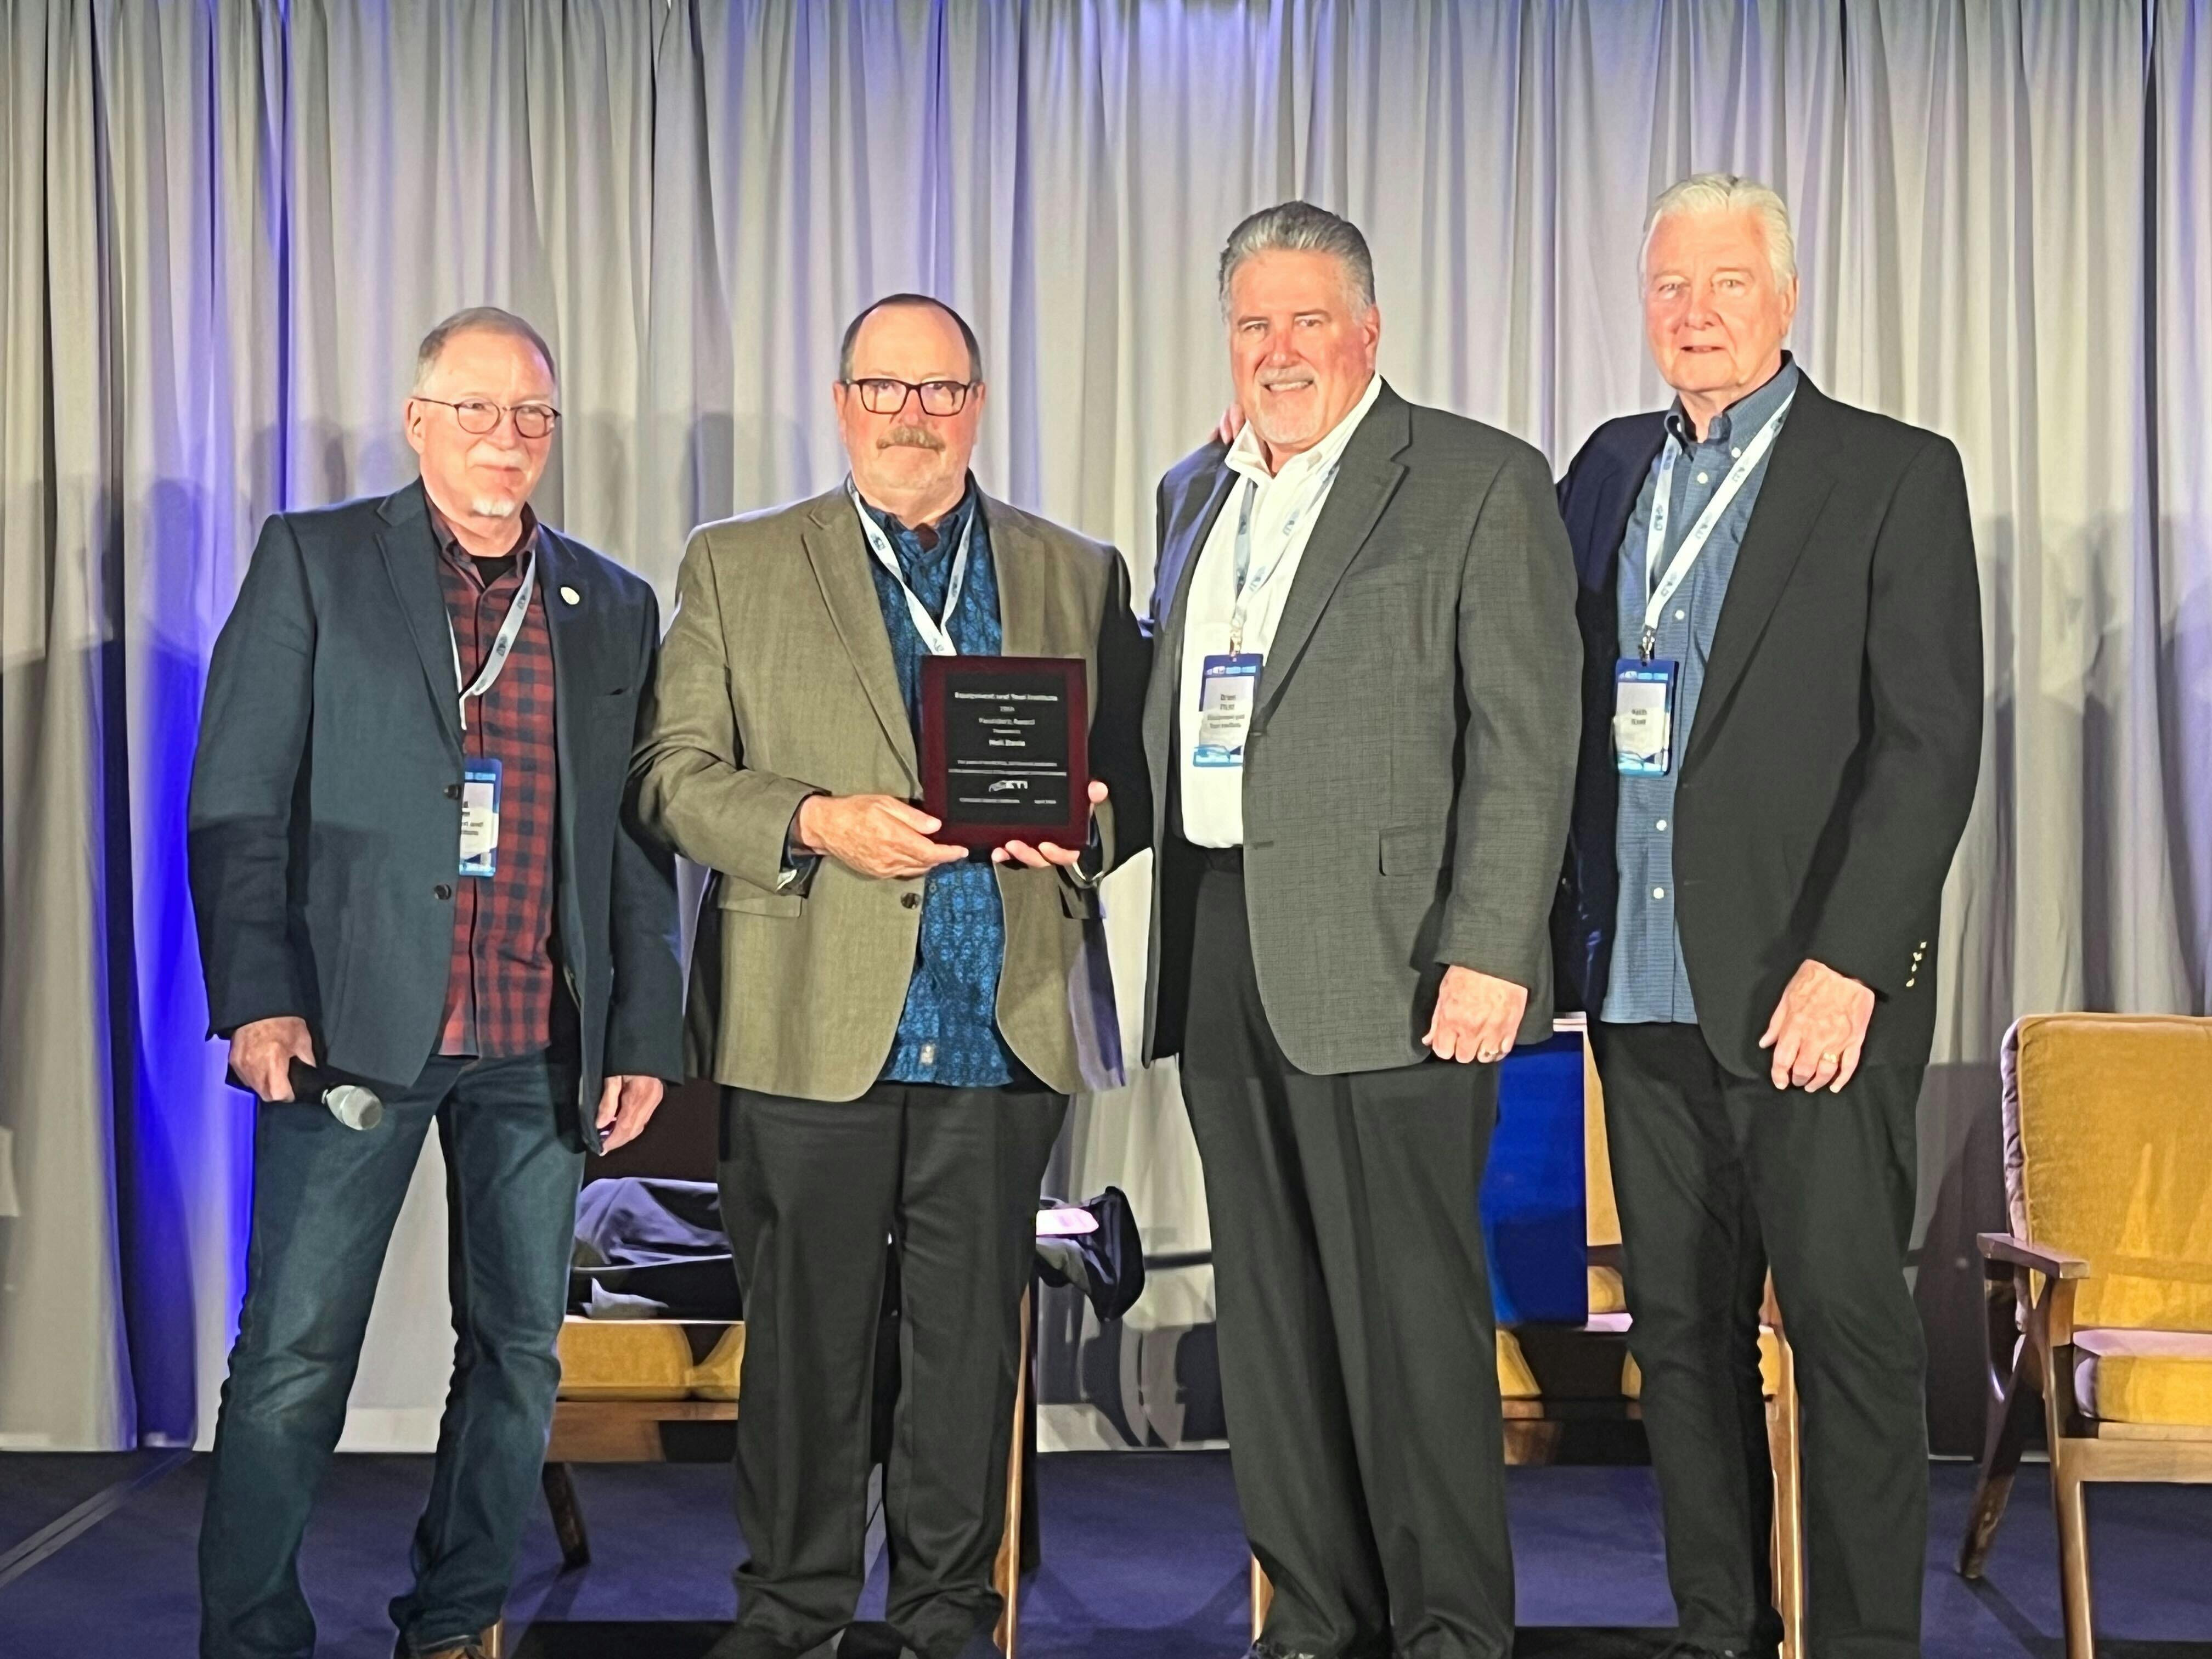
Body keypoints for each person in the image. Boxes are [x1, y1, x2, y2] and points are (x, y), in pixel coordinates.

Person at [631, 292, 1149, 1659]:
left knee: (966, 1362)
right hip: (806, 1028)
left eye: (940, 391)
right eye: (885, 390)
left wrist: (1083, 819)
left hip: (1003, 1028)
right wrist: (814, 822)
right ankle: (792, 1616)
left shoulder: (1074, 570)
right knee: (804, 1358)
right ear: (843, 401)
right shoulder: (737, 564)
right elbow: (669, 778)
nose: (913, 416)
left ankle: (944, 1621)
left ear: (977, 404)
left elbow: (1132, 785)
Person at [188, 306, 682, 1658]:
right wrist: (257, 998)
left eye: (531, 415)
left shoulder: (612, 604)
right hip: (349, 1033)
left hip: (538, 1043)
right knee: (294, 1362)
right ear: (418, 424)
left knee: (519, 1358)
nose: (505, 438)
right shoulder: (319, 562)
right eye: (476, 410)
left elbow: (637, 848)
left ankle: (456, 1620)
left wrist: (641, 1028)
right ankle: (249, 1635)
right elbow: (236, 802)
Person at [1139, 202, 1580, 1659]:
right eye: (1254, 324)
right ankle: (1316, 1623)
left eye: (1308, 320)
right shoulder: (1192, 494)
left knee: (1409, 1331)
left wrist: (1494, 947)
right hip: (1221, 951)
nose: (1280, 350)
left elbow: (1528, 741)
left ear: (1370, 332)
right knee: (1273, 1327)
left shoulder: (1474, 480)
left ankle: (1450, 1633)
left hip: (1403, 972)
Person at [1553, 174, 1983, 1658]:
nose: (1695, 314)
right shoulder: (1604, 470)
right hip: (1645, 992)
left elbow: (1930, 744)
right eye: (1670, 286)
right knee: (1679, 1346)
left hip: (1808, 998)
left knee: (1852, 1347)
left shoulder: (1892, 473)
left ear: (1787, 300)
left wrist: (1854, 960)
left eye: (1726, 284)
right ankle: (1720, 1631)